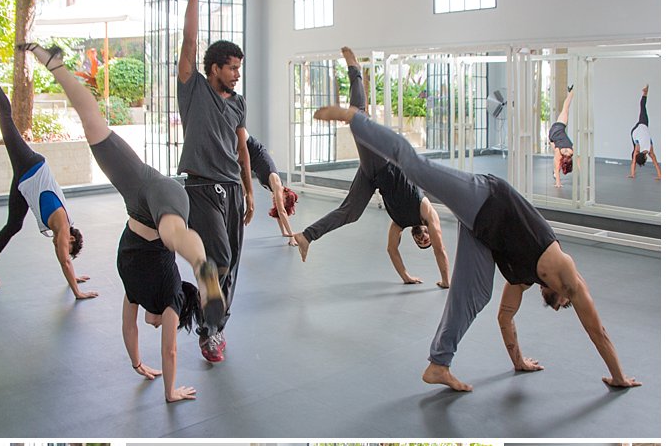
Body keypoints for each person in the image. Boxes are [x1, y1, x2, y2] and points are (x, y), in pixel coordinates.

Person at [313, 104, 642, 393]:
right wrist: (619, 376)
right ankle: (355, 118)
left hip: (481, 231)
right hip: (487, 197)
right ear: (566, 294)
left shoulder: (523, 278)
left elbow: (505, 318)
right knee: (417, 168)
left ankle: (438, 364)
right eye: (559, 305)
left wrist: (519, 362)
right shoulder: (565, 270)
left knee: (475, 294)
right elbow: (597, 330)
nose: (555, 307)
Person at [18, 42, 225, 402]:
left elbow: (128, 326)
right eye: (158, 324)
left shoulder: (137, 291)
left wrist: (136, 364)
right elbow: (171, 351)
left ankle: (55, 66)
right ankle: (201, 266)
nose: (154, 324)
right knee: (174, 232)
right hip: (164, 202)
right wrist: (170, 390)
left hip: (140, 190)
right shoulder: (172, 300)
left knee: (93, 126)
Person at [295, 48, 450, 286]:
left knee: (350, 213)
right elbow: (440, 247)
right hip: (384, 163)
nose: (423, 238)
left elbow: (391, 250)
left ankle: (306, 236)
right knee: (360, 117)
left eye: (420, 242)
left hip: (371, 177)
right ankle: (354, 72)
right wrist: (445, 280)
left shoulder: (399, 223)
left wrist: (406, 277)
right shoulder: (426, 211)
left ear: (414, 238)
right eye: (426, 239)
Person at [176, 0, 254, 362]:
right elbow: (189, 41)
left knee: (233, 264)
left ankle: (211, 330)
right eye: (231, 67)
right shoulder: (193, 89)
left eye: (239, 67)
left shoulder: (238, 101)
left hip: (232, 190)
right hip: (202, 188)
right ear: (213, 68)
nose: (237, 73)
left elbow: (242, 146)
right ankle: (200, 295)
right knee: (218, 258)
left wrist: (249, 189)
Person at [0, 53, 95, 301]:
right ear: (69, 238)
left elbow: (66, 261)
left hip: (26, 184)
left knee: (14, 224)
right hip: (30, 166)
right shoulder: (61, 226)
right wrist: (77, 291)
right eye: (68, 249)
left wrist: (75, 275)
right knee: (7, 124)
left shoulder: (62, 227)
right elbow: (64, 262)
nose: (63, 252)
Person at [246, 133, 298, 244]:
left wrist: (284, 232)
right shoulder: (277, 185)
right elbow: (282, 211)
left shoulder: (274, 190)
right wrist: (292, 236)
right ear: (285, 194)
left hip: (249, 156)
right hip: (252, 147)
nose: (278, 202)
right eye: (282, 201)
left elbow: (279, 212)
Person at [629, 85, 660, 180]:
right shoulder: (642, 150)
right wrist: (660, 175)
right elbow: (655, 162)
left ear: (645, 158)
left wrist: (632, 174)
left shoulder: (649, 150)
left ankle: (645, 93)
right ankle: (645, 93)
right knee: (642, 106)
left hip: (638, 129)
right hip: (635, 131)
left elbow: (654, 161)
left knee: (642, 106)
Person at [549, 86, 575, 188]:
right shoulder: (561, 152)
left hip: (555, 132)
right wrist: (558, 183)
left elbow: (578, 163)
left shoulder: (569, 151)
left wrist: (558, 183)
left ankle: (571, 92)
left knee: (565, 109)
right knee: (566, 109)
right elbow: (579, 163)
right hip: (554, 133)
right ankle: (572, 92)